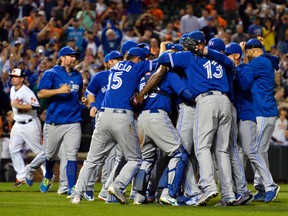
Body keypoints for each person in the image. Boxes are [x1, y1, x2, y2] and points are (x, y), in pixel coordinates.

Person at [70, 47, 153, 205]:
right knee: (135, 159)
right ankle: (117, 185)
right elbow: (159, 63)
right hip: (122, 116)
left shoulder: (114, 69)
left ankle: (77, 194)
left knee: (91, 160)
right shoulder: (136, 66)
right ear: (139, 59)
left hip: (103, 115)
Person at [37, 46, 83, 195]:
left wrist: (84, 101)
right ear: (62, 58)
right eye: (71, 56)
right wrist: (58, 91)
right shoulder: (51, 73)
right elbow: (41, 93)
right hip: (55, 121)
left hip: (74, 121)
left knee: (72, 155)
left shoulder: (78, 76)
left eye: (75, 56)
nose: (74, 58)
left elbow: (79, 94)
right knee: (50, 155)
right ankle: (49, 174)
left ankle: (71, 188)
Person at [240, 38, 280, 203]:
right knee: (260, 151)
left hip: (263, 112)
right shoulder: (264, 60)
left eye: (248, 50)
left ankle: (269, 185)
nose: (247, 53)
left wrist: (241, 54)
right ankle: (261, 187)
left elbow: (241, 72)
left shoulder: (261, 62)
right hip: (265, 111)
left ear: (253, 49)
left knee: (255, 150)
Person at [8, 68, 44, 187]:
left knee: (39, 151)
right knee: (13, 149)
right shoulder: (13, 89)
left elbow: (35, 106)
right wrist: (13, 113)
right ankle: (21, 176)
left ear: (22, 79)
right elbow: (16, 107)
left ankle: (48, 175)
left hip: (30, 124)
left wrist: (18, 105)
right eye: (12, 76)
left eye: (16, 77)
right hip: (18, 124)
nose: (13, 78)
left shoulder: (26, 91)